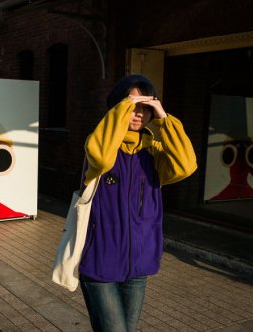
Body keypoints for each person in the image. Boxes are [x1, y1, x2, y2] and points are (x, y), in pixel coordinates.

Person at [78, 75, 197, 331]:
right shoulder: (100, 148)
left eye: (145, 107)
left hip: (138, 264)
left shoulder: (153, 155)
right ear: (117, 107)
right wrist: (123, 107)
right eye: (132, 105)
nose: (139, 113)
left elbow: (186, 165)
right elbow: (100, 156)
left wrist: (163, 117)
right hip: (100, 264)